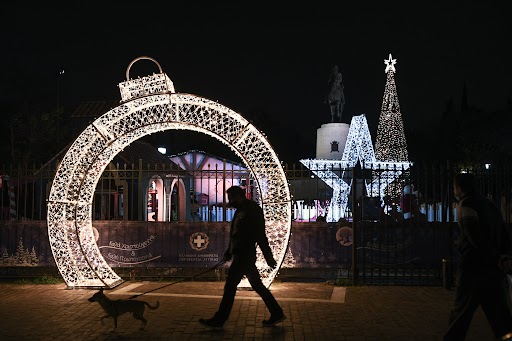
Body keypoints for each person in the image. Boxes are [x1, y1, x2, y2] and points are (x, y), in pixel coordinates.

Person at [199, 186, 285, 329]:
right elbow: (235, 233)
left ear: (238, 196)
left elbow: (260, 235)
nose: (229, 202)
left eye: (230, 198)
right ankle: (277, 313)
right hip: (240, 255)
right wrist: (229, 251)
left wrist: (268, 257)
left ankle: (219, 320)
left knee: (230, 287)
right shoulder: (241, 210)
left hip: (244, 256)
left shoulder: (252, 210)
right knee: (257, 286)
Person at [444, 173, 512, 340]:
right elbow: (503, 234)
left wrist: (461, 243)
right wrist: (502, 257)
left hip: (473, 268)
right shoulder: (490, 205)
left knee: (461, 315)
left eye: (454, 187)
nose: (454, 190)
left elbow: (475, 238)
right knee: (500, 316)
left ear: (459, 188)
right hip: (494, 269)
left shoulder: (465, 205)